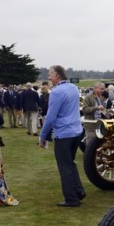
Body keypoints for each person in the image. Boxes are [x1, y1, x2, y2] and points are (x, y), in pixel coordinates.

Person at [39, 65, 86, 207]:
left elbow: (51, 117)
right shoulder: (73, 87)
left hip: (64, 134)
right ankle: (78, 191)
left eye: (50, 75)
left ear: (57, 76)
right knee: (70, 163)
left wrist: (42, 135)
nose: (49, 78)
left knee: (64, 167)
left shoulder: (56, 92)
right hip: (76, 131)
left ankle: (71, 198)